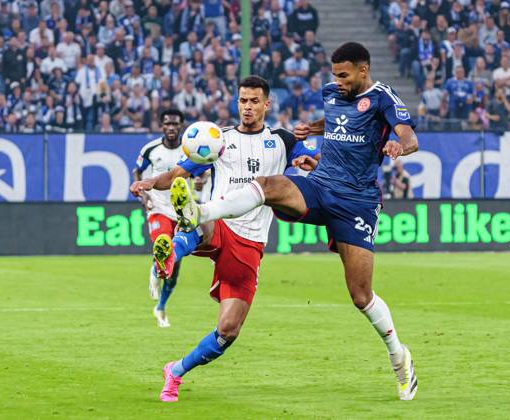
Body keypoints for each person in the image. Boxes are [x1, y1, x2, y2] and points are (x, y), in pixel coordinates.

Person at [163, 42, 420, 400]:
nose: (337, 82)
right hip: (320, 187)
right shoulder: (332, 93)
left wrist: (397, 146)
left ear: (363, 71)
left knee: (360, 295)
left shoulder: (383, 98)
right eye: (334, 75)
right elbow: (334, 120)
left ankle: (399, 357)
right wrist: (312, 129)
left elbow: (409, 137)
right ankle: (201, 213)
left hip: (357, 204)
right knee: (270, 187)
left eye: (344, 75)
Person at [129, 76, 319, 402]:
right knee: (202, 223)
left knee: (228, 332)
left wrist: (306, 162)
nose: (247, 107)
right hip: (220, 222)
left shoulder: (282, 139)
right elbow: (178, 174)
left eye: (254, 101)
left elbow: (312, 163)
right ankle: (172, 252)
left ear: (266, 104)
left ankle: (175, 371)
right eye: (243, 101)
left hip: (251, 242)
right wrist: (150, 184)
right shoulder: (217, 139)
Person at [132, 109, 186, 327]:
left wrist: (201, 181)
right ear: (162, 126)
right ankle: (155, 271)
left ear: (181, 126)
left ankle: (161, 307)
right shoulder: (151, 149)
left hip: (182, 211)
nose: (171, 127)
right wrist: (144, 195)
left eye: (175, 124)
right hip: (158, 207)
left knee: (174, 266)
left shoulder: (190, 149)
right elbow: (137, 172)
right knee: (162, 243)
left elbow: (202, 172)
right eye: (167, 124)